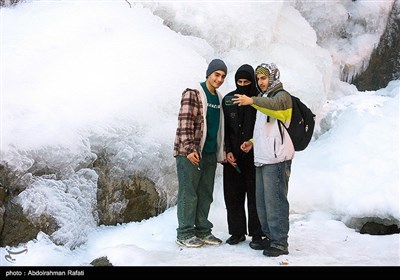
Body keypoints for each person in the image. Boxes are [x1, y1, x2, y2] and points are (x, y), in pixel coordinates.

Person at [233, 63, 294, 257]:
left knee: (275, 201)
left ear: (273, 78)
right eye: (258, 79)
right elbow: (265, 129)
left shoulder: (282, 97)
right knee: (263, 203)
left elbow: (277, 110)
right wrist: (251, 142)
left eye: (264, 78)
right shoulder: (264, 99)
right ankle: (269, 236)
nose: (260, 82)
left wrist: (251, 100)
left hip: (277, 158)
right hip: (262, 157)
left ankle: (280, 242)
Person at [173, 59, 228, 248]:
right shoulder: (193, 93)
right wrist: (189, 149)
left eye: (222, 76)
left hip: (210, 153)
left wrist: (223, 151)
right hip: (190, 152)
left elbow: (219, 128)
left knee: (205, 193)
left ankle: (203, 230)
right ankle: (185, 233)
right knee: (189, 193)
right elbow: (184, 123)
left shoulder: (219, 98)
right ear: (209, 74)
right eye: (216, 74)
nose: (219, 79)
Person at [221, 64, 264, 245]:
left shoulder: (259, 100)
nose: (243, 84)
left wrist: (252, 143)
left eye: (247, 82)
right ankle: (236, 232)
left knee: (255, 196)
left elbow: (264, 128)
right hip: (233, 158)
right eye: (239, 81)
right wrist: (228, 150)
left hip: (255, 156)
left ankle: (257, 233)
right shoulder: (229, 100)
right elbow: (224, 128)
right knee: (233, 195)